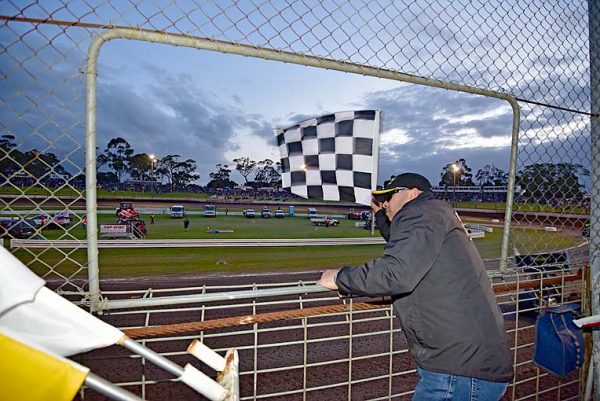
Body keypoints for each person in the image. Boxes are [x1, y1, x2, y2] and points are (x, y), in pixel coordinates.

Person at [317, 172, 513, 400]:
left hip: (458, 371)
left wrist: (340, 278)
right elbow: (405, 244)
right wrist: (380, 214)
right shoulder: (434, 212)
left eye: (390, 195)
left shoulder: (421, 213)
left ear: (412, 193)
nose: (386, 202)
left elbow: (396, 272)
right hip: (468, 363)